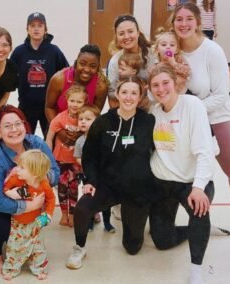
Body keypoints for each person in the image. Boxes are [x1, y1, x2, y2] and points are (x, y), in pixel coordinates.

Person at [66, 76, 157, 270]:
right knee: (83, 207)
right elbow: (89, 156)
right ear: (117, 94)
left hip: (136, 189)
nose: (129, 97)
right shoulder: (102, 122)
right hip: (108, 185)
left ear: (140, 96)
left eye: (134, 93)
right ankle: (79, 247)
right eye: (125, 92)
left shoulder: (148, 121)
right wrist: (90, 181)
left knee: (132, 248)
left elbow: (159, 152)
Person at [147, 64, 223, 284]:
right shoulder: (154, 111)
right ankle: (198, 229)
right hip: (164, 182)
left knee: (199, 210)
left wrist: (199, 188)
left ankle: (196, 270)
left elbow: (204, 152)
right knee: (161, 241)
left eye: (165, 83)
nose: (161, 89)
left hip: (192, 182)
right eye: (155, 85)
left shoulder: (193, 106)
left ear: (175, 83)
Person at [0, 105, 59, 274]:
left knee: (29, 222)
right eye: (7, 126)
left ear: (25, 125)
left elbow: (55, 173)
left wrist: (35, 177)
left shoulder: (36, 143)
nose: (14, 130)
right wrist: (29, 206)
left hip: (23, 192)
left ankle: (26, 246)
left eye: (18, 123)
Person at [170, 2, 230, 192]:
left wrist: (190, 111)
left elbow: (220, 96)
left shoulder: (212, 50)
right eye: (179, 19)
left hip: (216, 118)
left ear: (198, 22)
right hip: (186, 122)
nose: (184, 24)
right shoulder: (172, 50)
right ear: (172, 23)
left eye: (189, 19)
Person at [10, 12, 69, 136]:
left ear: (45, 29)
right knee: (25, 140)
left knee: (51, 141)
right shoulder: (19, 52)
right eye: (32, 25)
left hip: (49, 106)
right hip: (26, 105)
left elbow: (66, 74)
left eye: (40, 25)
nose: (36, 28)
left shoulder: (54, 51)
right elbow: (9, 76)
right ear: (27, 29)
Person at [2, 149, 56, 280]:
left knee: (38, 248)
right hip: (17, 222)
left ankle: (39, 268)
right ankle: (11, 268)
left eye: (21, 168)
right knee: (14, 247)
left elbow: (51, 199)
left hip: (35, 221)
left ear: (35, 173)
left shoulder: (44, 185)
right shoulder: (16, 179)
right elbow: (5, 188)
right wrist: (10, 193)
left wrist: (47, 214)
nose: (17, 169)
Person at [46, 85, 86, 227]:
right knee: (62, 188)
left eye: (79, 102)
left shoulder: (84, 119)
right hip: (60, 160)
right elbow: (49, 138)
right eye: (72, 101)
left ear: (84, 103)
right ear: (67, 100)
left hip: (76, 160)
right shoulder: (59, 118)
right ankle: (64, 214)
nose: (75, 105)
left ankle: (72, 214)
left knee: (74, 188)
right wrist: (48, 158)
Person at [74, 105, 115, 233]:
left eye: (88, 119)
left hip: (104, 176)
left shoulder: (104, 138)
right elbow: (77, 157)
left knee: (105, 200)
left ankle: (107, 223)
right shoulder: (80, 141)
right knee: (90, 199)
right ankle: (90, 222)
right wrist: (88, 164)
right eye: (81, 119)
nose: (83, 122)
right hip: (88, 176)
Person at [107, 14, 156, 108]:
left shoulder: (153, 54)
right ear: (116, 37)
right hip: (126, 110)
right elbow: (112, 98)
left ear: (138, 33)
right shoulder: (115, 61)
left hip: (151, 109)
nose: (126, 36)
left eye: (130, 31)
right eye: (121, 33)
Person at [152, 28, 191, 94]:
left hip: (180, 94)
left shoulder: (179, 60)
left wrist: (173, 63)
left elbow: (187, 73)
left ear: (176, 50)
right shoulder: (156, 65)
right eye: (164, 45)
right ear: (157, 49)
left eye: (172, 45)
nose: (168, 47)